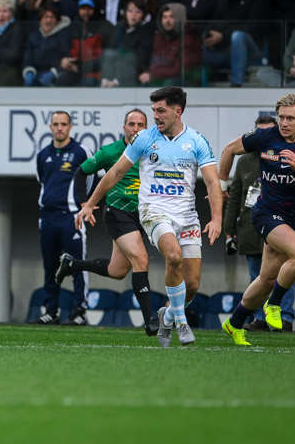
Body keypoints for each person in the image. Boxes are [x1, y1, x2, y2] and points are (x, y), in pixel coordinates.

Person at [75, 87, 223, 348]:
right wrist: (89, 204)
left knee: (192, 284)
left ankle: (167, 313)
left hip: (187, 216)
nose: (154, 115)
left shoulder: (197, 141)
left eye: (160, 110)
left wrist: (217, 219)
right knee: (173, 256)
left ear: (178, 111)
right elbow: (115, 173)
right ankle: (181, 321)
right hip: (154, 211)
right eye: (153, 110)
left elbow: (213, 183)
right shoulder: (144, 139)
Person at [217, 93, 295, 346]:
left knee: (266, 279)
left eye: (290, 118)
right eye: (281, 117)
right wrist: (223, 185)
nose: (284, 123)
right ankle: (274, 304)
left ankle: (234, 324)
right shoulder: (265, 136)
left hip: (291, 218)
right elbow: (228, 150)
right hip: (265, 212)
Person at [56, 109, 159, 334]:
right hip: (118, 213)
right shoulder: (110, 151)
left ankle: (72, 264)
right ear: (124, 128)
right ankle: (150, 320)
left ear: (147, 128)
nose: (135, 129)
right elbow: (80, 173)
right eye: (131, 124)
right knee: (141, 259)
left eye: (140, 125)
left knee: (117, 270)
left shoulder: (155, 150)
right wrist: (85, 203)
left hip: (147, 212)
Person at [222, 114, 295, 331]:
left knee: (284, 274)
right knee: (258, 276)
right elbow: (235, 196)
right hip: (250, 226)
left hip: (281, 224)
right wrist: (229, 231)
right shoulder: (244, 161)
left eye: (268, 130)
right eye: (260, 131)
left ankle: (285, 318)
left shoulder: (287, 156)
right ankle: (259, 317)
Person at [35, 112, 93, 326]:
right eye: (56, 124)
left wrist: (83, 203)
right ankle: (51, 311)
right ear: (50, 127)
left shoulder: (80, 151)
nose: (59, 128)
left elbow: (92, 177)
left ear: (70, 127)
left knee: (77, 265)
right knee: (50, 266)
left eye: (63, 124)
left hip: (71, 217)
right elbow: (42, 179)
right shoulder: (43, 154)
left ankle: (80, 312)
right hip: (47, 217)